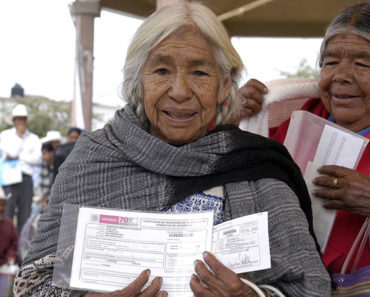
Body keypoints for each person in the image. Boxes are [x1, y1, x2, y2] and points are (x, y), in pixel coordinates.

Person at [13, 2, 330, 296]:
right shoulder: (92, 160)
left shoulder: (256, 168)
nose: (179, 92)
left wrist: (253, 295)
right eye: (162, 71)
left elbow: (310, 286)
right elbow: (32, 284)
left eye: (200, 73)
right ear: (138, 82)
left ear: (224, 84)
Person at [237, 2, 370, 276]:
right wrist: (230, 115)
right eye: (330, 62)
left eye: (362, 63)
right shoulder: (300, 121)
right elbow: (234, 173)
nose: (341, 76)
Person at [0, 104, 42, 234]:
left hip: (26, 179)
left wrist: (18, 156)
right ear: (13, 121)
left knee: (25, 215)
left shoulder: (34, 138)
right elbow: (9, 152)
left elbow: (37, 159)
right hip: (9, 179)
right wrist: (19, 137)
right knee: (8, 214)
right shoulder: (5, 135)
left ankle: (20, 249)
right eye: (18, 119)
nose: (21, 122)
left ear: (26, 120)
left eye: (23, 119)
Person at [0, 186, 18, 267]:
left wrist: (11, 256)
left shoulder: (9, 223)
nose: (1, 208)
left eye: (3, 205)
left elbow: (14, 245)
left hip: (4, 265)